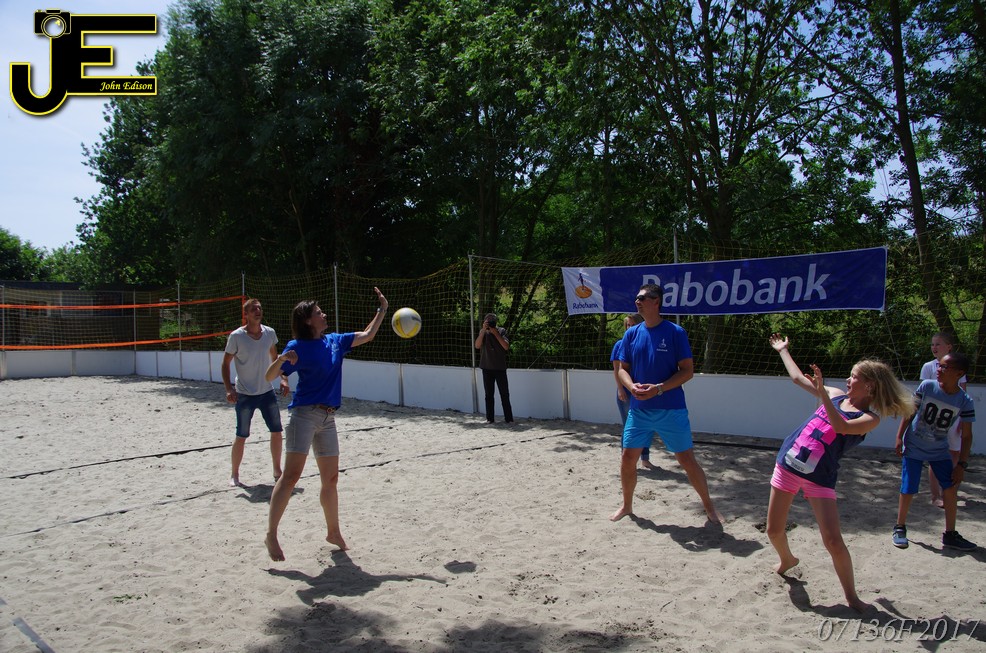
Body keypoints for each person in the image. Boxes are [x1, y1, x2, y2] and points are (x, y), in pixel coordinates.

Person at [765, 334, 913, 613]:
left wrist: (822, 393)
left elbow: (840, 427)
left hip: (819, 478)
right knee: (773, 530)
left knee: (833, 540)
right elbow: (797, 378)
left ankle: (851, 597)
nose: (848, 379)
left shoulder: (868, 419)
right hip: (788, 465)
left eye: (854, 376)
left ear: (869, 386)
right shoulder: (834, 395)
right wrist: (783, 350)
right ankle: (787, 560)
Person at [263, 288, 388, 561]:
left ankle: (333, 532)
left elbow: (368, 335)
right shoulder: (297, 346)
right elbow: (268, 376)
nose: (324, 314)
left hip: (328, 418)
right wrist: (281, 359)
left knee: (331, 479)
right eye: (319, 312)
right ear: (308, 320)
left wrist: (382, 310)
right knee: (291, 476)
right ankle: (271, 534)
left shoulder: (335, 341)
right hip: (304, 416)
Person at [609, 284, 721, 523]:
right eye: (636, 297)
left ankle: (710, 508)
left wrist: (658, 388)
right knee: (628, 458)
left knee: (687, 461)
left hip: (671, 409)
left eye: (642, 298)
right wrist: (631, 387)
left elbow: (687, 371)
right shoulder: (631, 334)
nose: (637, 301)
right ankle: (627, 506)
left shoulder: (675, 332)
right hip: (639, 410)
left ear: (656, 301)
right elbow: (622, 370)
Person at [892, 351, 976, 552]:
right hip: (914, 447)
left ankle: (950, 534)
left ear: (959, 373)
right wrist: (899, 437)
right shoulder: (927, 386)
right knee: (908, 487)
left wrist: (961, 465)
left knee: (950, 487)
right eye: (939, 365)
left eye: (944, 367)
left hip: (939, 451)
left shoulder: (965, 401)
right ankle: (900, 527)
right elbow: (910, 411)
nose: (938, 369)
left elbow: (967, 436)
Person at [221, 298, 290, 487]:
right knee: (241, 435)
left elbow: (275, 359)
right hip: (244, 394)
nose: (258, 311)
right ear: (246, 314)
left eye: (259, 308)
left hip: (266, 391)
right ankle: (235, 474)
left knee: (277, 432)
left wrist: (283, 378)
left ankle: (277, 470)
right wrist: (229, 389)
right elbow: (225, 363)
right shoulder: (236, 336)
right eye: (253, 309)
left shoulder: (269, 333)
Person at [920, 332, 968, 507]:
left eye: (938, 344)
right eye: (932, 344)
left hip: (954, 416)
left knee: (954, 452)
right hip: (934, 418)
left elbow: (963, 393)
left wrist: (962, 419)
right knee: (935, 455)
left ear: (949, 347)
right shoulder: (928, 367)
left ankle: (947, 490)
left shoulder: (957, 368)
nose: (934, 347)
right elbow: (922, 394)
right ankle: (935, 496)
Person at [612, 313, 654, 470]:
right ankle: (626, 461)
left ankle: (645, 459)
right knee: (628, 426)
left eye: (632, 324)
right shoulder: (620, 344)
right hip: (626, 391)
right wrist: (620, 389)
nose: (630, 328)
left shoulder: (646, 342)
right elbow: (617, 370)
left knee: (646, 426)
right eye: (627, 325)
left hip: (643, 390)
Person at [475, 312, 513, 423]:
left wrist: (495, 333)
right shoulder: (483, 332)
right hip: (486, 367)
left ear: (496, 322)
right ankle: (490, 419)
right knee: (489, 395)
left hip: (500, 368)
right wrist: (483, 331)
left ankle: (509, 419)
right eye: (488, 320)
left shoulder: (501, 331)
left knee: (504, 394)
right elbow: (477, 345)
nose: (490, 322)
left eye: (492, 320)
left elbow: (506, 346)